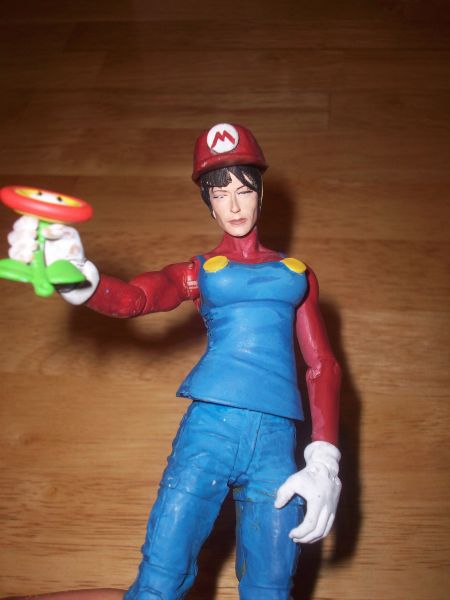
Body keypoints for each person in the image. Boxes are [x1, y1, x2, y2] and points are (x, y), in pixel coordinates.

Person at [7, 123, 342, 600]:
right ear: (208, 203)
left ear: (260, 192)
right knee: (160, 576)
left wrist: (324, 457)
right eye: (220, 194)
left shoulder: (297, 273)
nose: (233, 206)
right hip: (211, 429)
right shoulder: (199, 271)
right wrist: (79, 276)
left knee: (270, 585)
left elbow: (321, 365)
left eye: (243, 191)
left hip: (275, 441)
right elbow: (138, 297)